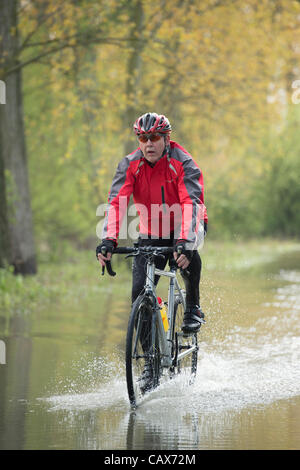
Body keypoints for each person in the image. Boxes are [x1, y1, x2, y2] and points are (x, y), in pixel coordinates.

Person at [96, 112, 208, 334]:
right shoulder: (129, 164)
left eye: (155, 137)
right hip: (151, 231)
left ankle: (193, 308)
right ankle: (149, 362)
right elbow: (116, 202)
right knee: (139, 294)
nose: (149, 144)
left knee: (188, 256)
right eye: (143, 138)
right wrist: (108, 239)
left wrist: (186, 240)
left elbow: (191, 203)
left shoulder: (183, 162)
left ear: (166, 139)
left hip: (185, 225)